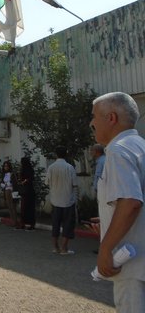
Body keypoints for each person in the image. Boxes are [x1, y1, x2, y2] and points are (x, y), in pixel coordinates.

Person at [90, 92, 144, 312]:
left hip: (133, 268)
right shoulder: (139, 146)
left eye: (94, 116)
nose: (92, 123)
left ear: (111, 118)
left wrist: (106, 248)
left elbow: (131, 202)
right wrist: (108, 221)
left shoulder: (117, 150)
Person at [46, 146, 78, 254]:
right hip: (68, 200)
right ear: (66, 154)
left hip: (55, 200)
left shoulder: (51, 167)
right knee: (68, 225)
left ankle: (55, 247)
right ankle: (64, 248)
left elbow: (47, 182)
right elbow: (74, 184)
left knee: (55, 224)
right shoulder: (70, 167)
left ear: (56, 154)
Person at [1, 160, 21, 229]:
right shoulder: (4, 174)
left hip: (12, 190)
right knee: (9, 206)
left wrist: (9, 184)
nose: (5, 167)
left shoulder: (12, 174)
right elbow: (2, 183)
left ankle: (15, 221)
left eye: (7, 166)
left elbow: (14, 183)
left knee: (13, 206)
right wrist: (4, 185)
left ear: (9, 167)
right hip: (6, 190)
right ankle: (12, 221)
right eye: (4, 166)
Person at [19, 156, 36, 230]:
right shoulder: (23, 169)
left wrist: (24, 181)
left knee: (29, 208)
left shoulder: (29, 170)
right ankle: (23, 223)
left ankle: (31, 224)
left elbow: (30, 178)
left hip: (28, 191)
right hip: (25, 190)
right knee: (23, 208)